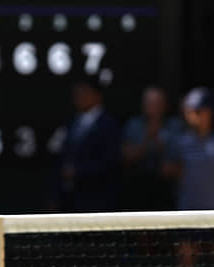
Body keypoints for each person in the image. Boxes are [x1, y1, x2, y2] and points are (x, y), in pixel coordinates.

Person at [157, 87, 214, 267]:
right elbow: (168, 171)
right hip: (190, 215)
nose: (194, 115)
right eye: (190, 111)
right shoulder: (180, 141)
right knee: (185, 265)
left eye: (198, 110)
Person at [49, 75, 123, 212]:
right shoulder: (71, 123)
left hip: (97, 201)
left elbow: (110, 162)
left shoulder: (109, 125)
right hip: (69, 201)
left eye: (84, 92)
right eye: (77, 93)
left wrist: (78, 172)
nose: (79, 97)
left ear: (97, 95)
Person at [121, 85, 182, 211]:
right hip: (137, 188)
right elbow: (126, 158)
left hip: (167, 190)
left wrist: (160, 142)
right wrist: (147, 139)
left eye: (157, 103)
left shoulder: (175, 126)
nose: (153, 107)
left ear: (165, 105)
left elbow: (180, 161)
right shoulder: (133, 125)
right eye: (149, 103)